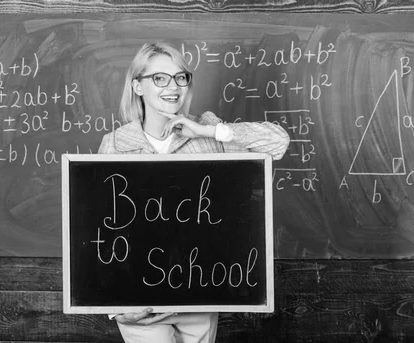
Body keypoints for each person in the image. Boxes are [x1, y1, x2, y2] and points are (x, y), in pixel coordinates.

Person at [97, 42, 290, 343]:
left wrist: (209, 131)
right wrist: (114, 309)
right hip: (138, 296)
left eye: (180, 77)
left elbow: (277, 143)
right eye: (159, 78)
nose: (172, 86)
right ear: (137, 86)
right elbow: (102, 231)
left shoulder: (208, 131)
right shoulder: (115, 144)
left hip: (199, 287)